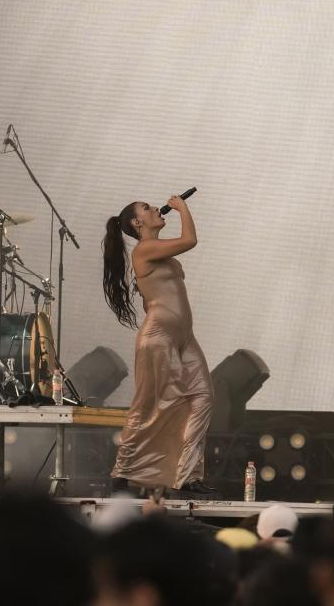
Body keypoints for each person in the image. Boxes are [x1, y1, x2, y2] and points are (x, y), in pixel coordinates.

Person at [102, 196, 215, 495]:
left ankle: (188, 475)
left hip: (183, 337)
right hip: (159, 336)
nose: (155, 209)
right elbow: (190, 239)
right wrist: (183, 208)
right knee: (150, 403)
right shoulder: (144, 249)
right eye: (147, 209)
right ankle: (123, 471)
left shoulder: (161, 254)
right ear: (138, 224)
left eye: (154, 206)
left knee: (202, 397)